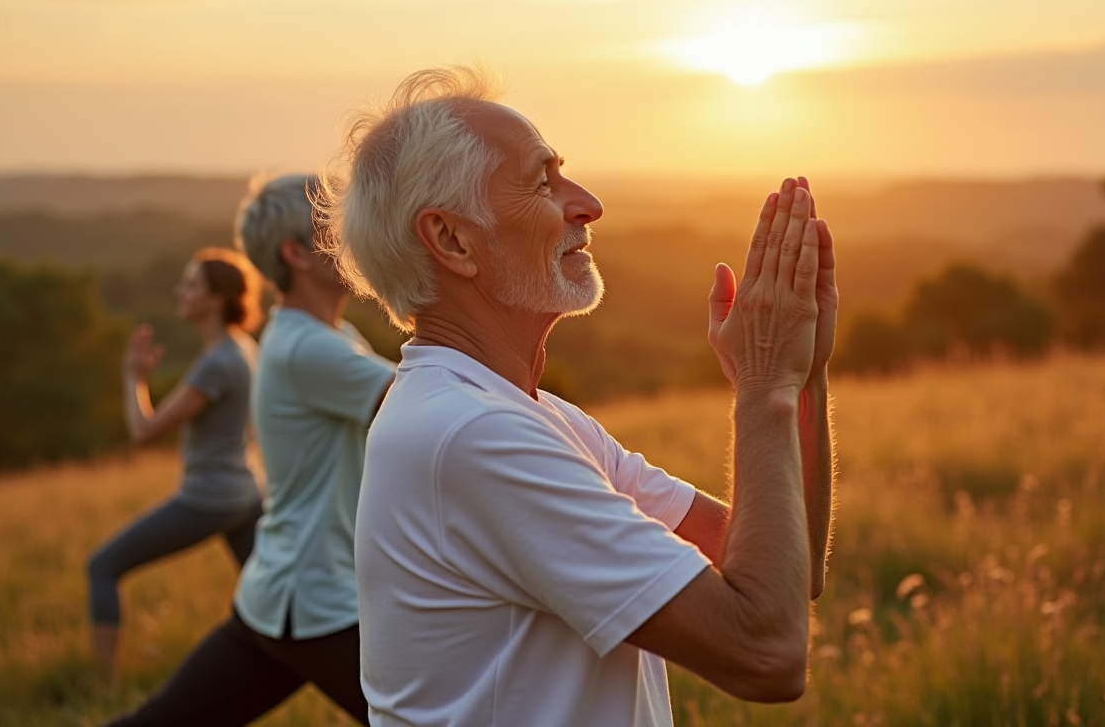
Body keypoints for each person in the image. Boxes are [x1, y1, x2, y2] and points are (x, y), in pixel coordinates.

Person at [319, 65, 838, 727]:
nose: (588, 202)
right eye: (542, 182)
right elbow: (765, 650)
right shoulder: (471, 437)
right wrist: (765, 386)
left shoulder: (529, 416)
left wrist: (801, 375)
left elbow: (785, 572)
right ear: (450, 239)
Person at [101, 173, 395, 726]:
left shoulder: (326, 338)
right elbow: (431, 403)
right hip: (318, 603)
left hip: (281, 594)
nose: (361, 234)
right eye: (340, 225)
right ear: (296, 253)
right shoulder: (307, 348)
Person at [87, 247, 264, 677]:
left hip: (211, 497)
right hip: (245, 493)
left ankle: (102, 686)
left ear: (216, 299)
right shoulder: (242, 348)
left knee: (102, 567)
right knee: (270, 598)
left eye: (190, 285)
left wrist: (134, 378)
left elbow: (145, 431)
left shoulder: (216, 364)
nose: (178, 291)